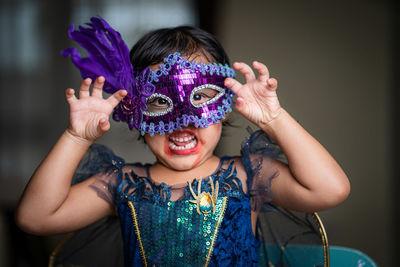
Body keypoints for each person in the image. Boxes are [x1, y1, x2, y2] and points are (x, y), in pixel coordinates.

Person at [16, 17, 350, 266]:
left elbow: (330, 189)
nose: (182, 120)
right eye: (159, 102)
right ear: (133, 112)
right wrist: (77, 137)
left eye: (201, 97)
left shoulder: (250, 175)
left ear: (224, 108)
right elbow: (35, 217)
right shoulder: (123, 184)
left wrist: (273, 119)